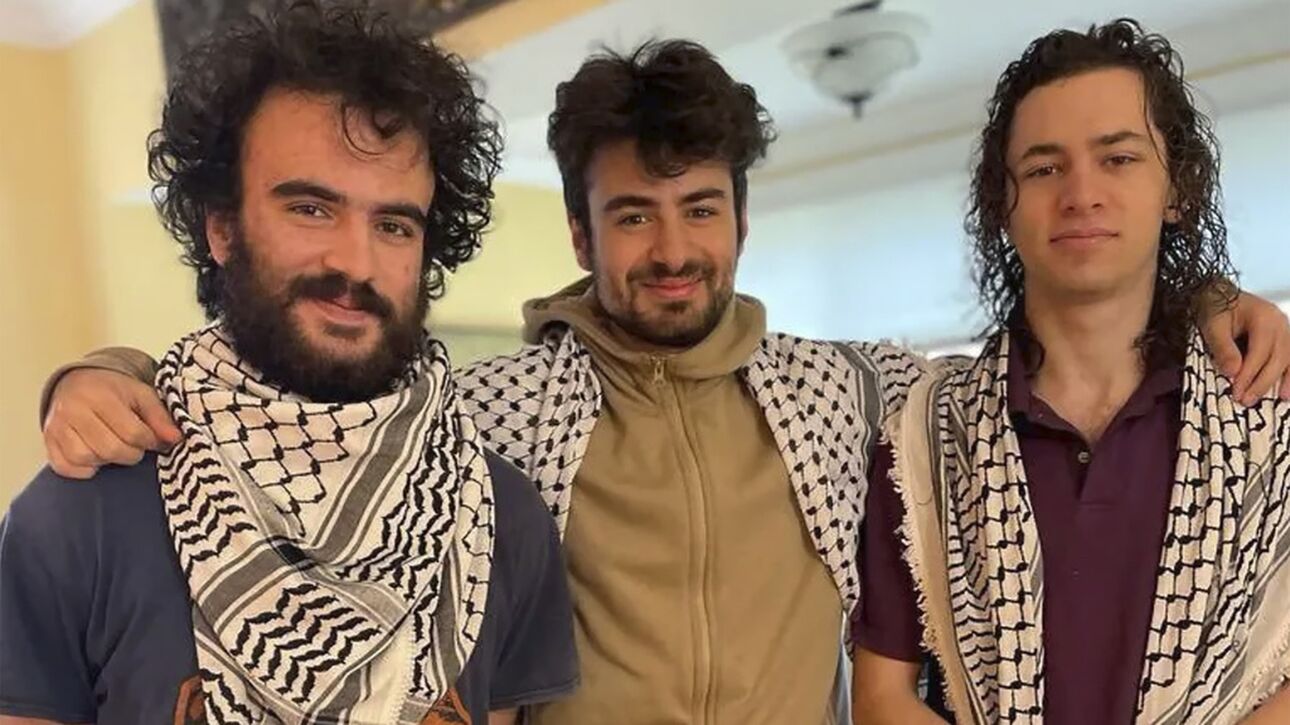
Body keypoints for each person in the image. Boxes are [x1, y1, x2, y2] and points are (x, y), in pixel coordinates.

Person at [28, 35, 1290, 725]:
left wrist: (1207, 300)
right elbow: (321, 393)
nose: (673, 248)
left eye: (700, 208)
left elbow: (1046, 347)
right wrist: (108, 370)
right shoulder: (492, 413)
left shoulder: (851, 391)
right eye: (633, 214)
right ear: (582, 236)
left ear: (741, 219)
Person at [0, 3, 576, 723]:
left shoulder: (501, 516)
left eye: (393, 224)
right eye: (310, 208)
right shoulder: (81, 512)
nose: (356, 263)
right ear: (221, 227)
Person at [851, 19, 1290, 724]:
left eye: (1118, 158)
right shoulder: (925, 441)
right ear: (1002, 204)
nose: (1081, 194)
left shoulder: (1267, 416)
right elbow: (881, 699)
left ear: (1175, 188)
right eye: (1044, 168)